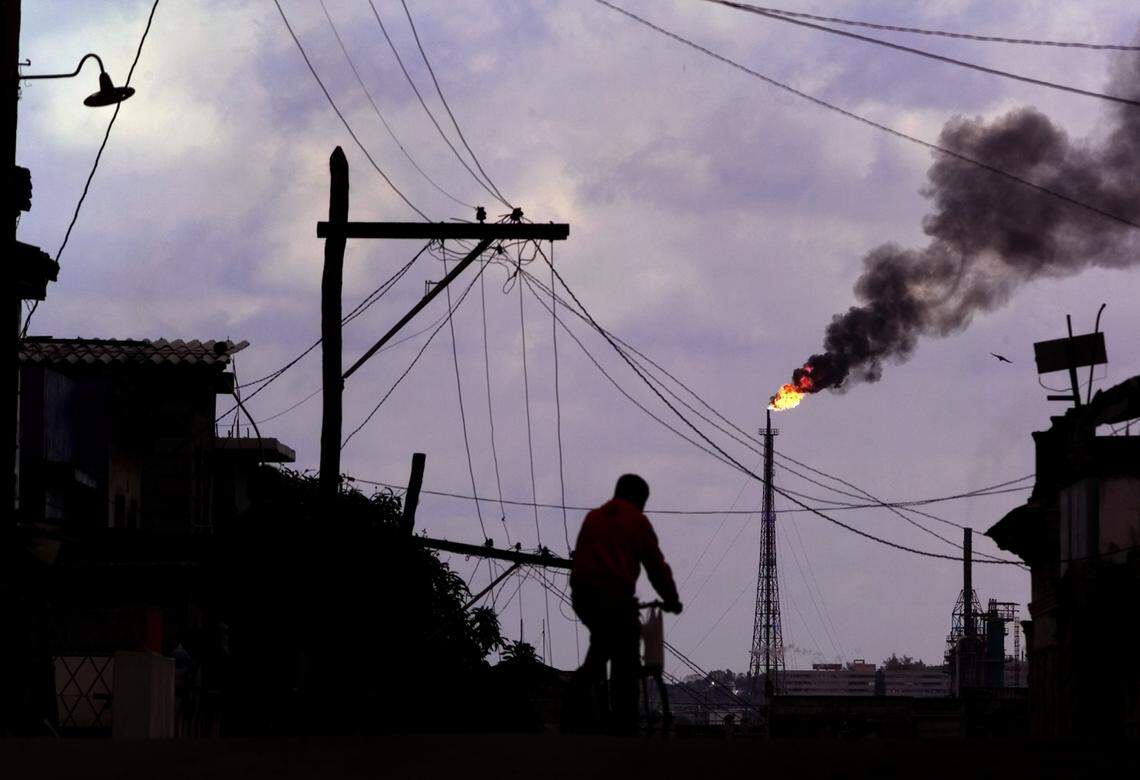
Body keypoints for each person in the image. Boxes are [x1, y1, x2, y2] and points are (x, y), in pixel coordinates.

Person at [565, 474, 682, 734]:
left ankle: (576, 704)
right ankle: (623, 725)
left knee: (603, 643)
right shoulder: (637, 521)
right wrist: (672, 600)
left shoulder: (593, 517)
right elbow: (655, 566)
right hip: (613, 595)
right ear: (639, 498)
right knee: (625, 654)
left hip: (583, 595)